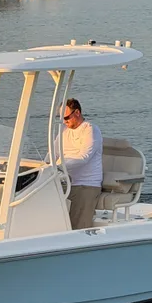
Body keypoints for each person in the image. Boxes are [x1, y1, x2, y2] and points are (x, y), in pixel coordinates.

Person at [60, 98, 103, 230]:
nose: (64, 121)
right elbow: (52, 154)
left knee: (77, 228)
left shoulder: (90, 130)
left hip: (85, 184)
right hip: (64, 181)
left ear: (77, 112)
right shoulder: (63, 130)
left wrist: (58, 167)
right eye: (61, 118)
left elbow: (84, 157)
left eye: (66, 117)